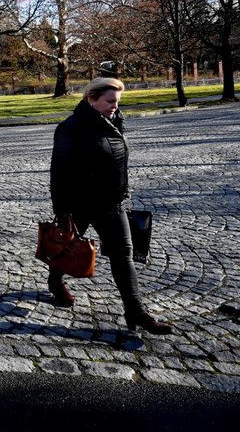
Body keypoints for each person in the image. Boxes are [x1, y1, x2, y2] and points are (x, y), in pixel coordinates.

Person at [47, 77, 174, 335]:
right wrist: (61, 211)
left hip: (111, 204)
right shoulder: (70, 128)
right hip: (79, 204)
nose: (115, 106)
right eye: (110, 101)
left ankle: (135, 311)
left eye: (117, 101)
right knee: (67, 249)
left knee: (123, 255)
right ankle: (55, 281)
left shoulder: (114, 122)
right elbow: (58, 172)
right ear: (91, 99)